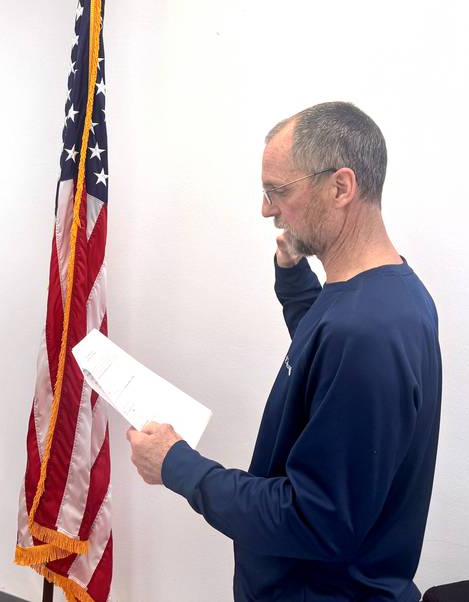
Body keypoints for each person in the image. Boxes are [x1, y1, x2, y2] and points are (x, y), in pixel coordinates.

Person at [127, 102, 441, 601]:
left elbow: (313, 520)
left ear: (341, 187)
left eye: (278, 191)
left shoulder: (369, 333)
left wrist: (176, 465)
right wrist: (294, 277)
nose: (267, 209)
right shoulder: (381, 294)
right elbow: (322, 354)